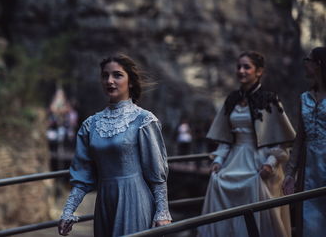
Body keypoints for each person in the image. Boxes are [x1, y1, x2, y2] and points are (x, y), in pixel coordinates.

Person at [57, 54, 172, 236]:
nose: (109, 81)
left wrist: (162, 212)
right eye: (105, 75)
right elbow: (82, 175)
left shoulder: (144, 120)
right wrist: (68, 211)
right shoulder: (90, 124)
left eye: (117, 75)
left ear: (130, 82)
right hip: (104, 202)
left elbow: (156, 174)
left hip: (134, 200)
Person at [197, 51, 296, 237]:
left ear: (259, 72)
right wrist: (218, 160)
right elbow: (227, 138)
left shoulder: (269, 99)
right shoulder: (232, 99)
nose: (241, 71)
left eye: (246, 67)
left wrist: (270, 163)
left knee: (259, 202)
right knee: (217, 181)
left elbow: (281, 141)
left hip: (260, 160)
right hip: (234, 158)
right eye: (238, 67)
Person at [282, 47, 326, 237]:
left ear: (319, 65)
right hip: (309, 167)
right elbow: (300, 138)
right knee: (310, 221)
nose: (305, 64)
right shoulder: (304, 98)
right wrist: (290, 172)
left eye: (307, 60)